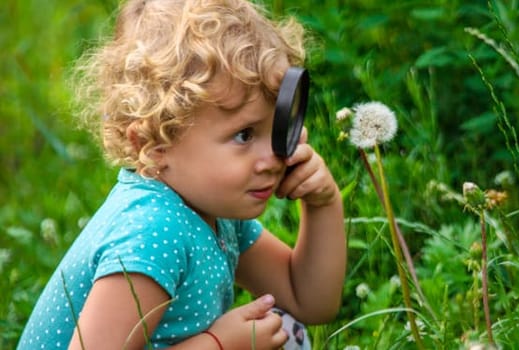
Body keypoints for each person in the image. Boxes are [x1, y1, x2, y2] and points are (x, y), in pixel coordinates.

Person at [20, 0, 345, 348]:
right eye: (245, 135)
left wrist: (324, 203)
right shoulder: (152, 232)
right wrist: (217, 345)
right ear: (155, 144)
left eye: (276, 128)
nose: (275, 156)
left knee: (285, 329)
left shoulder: (214, 210)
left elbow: (307, 299)